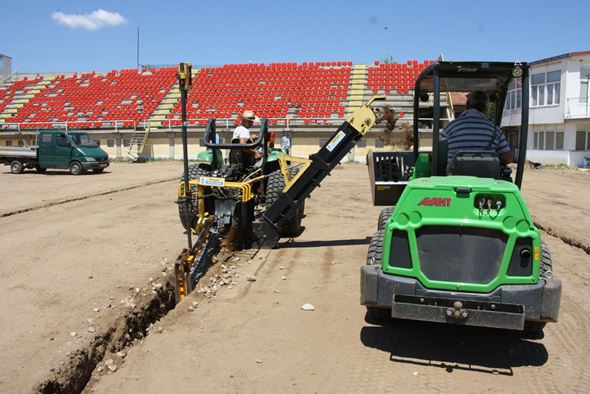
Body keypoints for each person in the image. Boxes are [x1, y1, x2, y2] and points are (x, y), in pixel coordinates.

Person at [441, 90, 512, 166]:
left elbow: (439, 153)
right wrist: (490, 158)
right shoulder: (495, 130)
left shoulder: (450, 127)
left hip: (454, 177)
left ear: (467, 105)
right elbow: (507, 158)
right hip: (487, 176)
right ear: (486, 108)